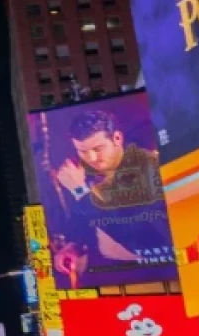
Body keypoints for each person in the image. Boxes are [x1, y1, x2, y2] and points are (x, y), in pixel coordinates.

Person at [49, 108, 164, 286]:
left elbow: (133, 236)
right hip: (103, 271)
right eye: (83, 151)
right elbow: (86, 224)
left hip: (149, 274)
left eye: (98, 149)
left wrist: (81, 192)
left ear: (117, 138)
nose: (92, 158)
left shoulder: (149, 169)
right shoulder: (88, 175)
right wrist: (73, 246)